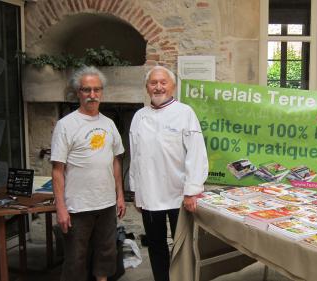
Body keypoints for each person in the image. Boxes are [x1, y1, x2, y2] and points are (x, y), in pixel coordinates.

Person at [129, 66, 208, 281]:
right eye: (153, 83)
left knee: (182, 245)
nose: (158, 87)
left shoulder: (185, 113)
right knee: (155, 244)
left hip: (178, 195)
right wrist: (136, 190)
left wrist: (192, 191)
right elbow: (135, 157)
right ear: (147, 88)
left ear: (173, 86)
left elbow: (196, 153)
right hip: (150, 194)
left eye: (163, 82)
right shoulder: (139, 117)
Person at [51, 66, 126, 281]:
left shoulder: (109, 124)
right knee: (76, 261)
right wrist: (61, 207)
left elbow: (116, 162)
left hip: (106, 204)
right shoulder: (66, 125)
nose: (92, 95)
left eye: (96, 90)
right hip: (78, 206)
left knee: (106, 256)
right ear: (78, 92)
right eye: (86, 90)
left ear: (102, 92)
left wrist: (119, 195)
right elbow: (57, 170)